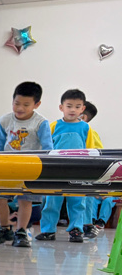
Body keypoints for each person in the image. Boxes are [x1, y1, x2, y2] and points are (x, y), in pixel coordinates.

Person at [0, 81, 52, 248]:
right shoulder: (5, 120)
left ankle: (21, 231)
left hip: (29, 167)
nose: (20, 108)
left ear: (37, 104)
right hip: (6, 165)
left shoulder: (40, 123)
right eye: (16, 103)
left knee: (25, 200)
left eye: (26, 105)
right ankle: (3, 228)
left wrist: (45, 166)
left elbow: (47, 147)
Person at [37, 89, 91, 243]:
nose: (73, 110)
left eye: (77, 106)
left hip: (78, 170)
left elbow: (89, 148)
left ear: (82, 108)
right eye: (69, 106)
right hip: (56, 169)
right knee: (51, 201)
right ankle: (48, 230)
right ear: (61, 107)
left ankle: (76, 230)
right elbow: (46, 147)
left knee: (77, 202)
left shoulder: (85, 128)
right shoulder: (54, 126)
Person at [79, 102, 110, 237]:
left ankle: (88, 224)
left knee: (88, 198)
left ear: (83, 116)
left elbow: (99, 156)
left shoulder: (91, 133)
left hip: (86, 173)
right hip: (69, 172)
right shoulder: (61, 127)